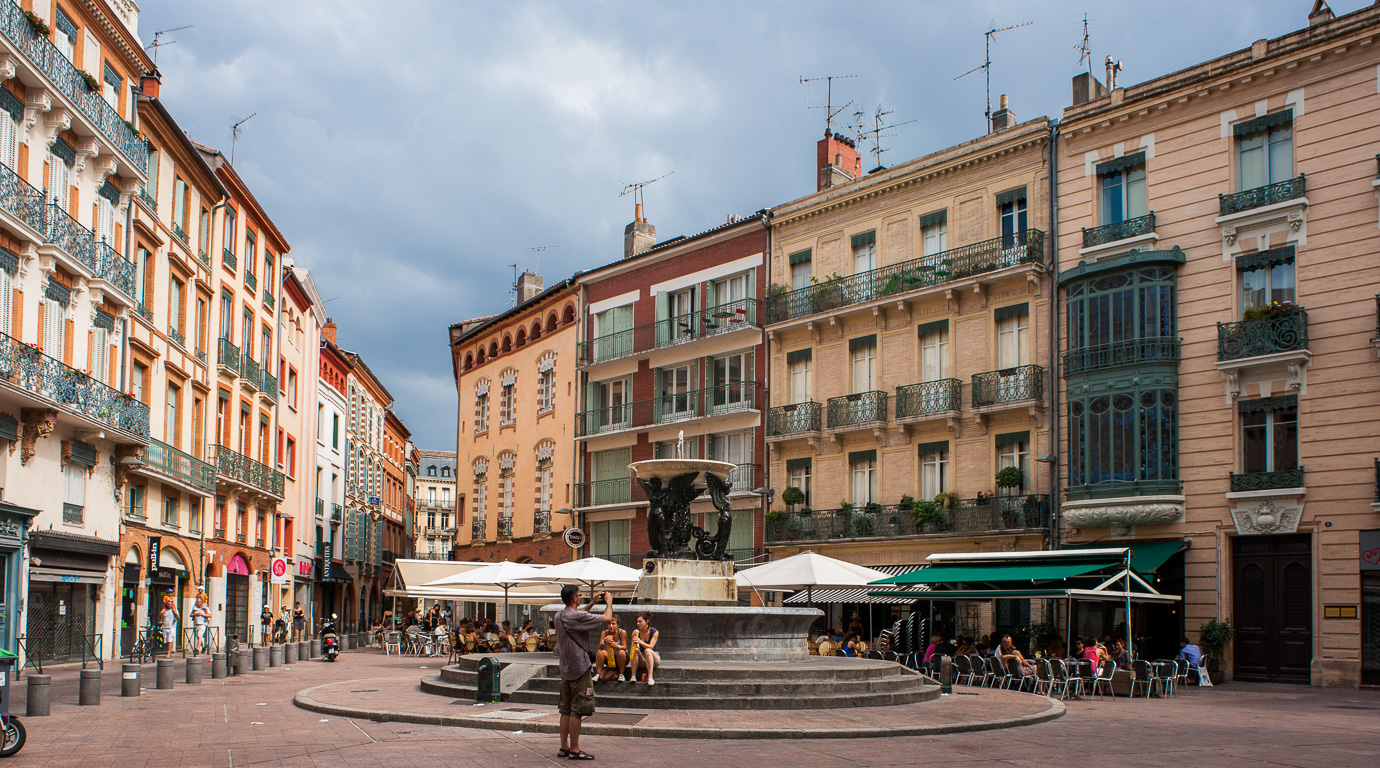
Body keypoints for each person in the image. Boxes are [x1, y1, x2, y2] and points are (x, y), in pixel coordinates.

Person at [554, 585, 613, 761]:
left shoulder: (559, 616)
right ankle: (575, 748)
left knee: (564, 710)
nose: (580, 598)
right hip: (579, 667)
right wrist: (608, 603)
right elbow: (607, 618)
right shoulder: (577, 616)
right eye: (579, 596)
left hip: (565, 668)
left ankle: (564, 747)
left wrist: (593, 602)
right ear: (574, 598)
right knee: (577, 710)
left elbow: (579, 615)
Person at [628, 611, 660, 685]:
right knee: (635, 650)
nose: (638, 624)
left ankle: (650, 677)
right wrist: (633, 639)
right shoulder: (637, 632)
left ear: (647, 621)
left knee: (648, 650)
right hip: (642, 658)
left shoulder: (654, 631)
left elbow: (651, 646)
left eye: (640, 621)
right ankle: (633, 676)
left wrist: (640, 641)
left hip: (653, 656)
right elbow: (637, 648)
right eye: (637, 622)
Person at [594, 616, 628, 682]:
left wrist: (615, 645)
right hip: (610, 657)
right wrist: (604, 642)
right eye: (609, 624)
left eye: (613, 624)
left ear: (617, 625)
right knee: (600, 652)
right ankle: (598, 674)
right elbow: (601, 647)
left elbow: (624, 647)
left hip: (621, 657)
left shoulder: (622, 632)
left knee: (621, 652)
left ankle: (621, 674)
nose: (611, 626)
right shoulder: (604, 633)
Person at [159, 592, 178, 658]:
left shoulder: (173, 608)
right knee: (166, 640)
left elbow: (178, 618)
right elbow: (161, 614)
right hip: (165, 627)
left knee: (170, 640)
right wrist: (161, 616)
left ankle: (168, 653)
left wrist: (176, 614)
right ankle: (169, 651)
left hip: (171, 627)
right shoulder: (164, 607)